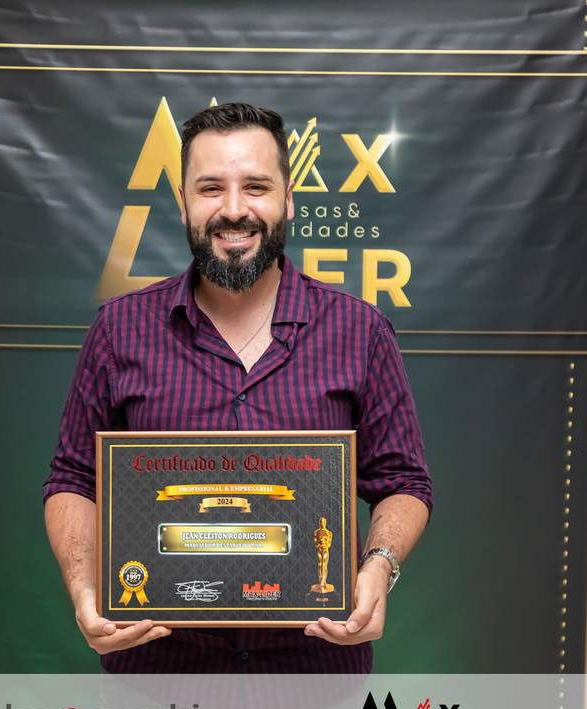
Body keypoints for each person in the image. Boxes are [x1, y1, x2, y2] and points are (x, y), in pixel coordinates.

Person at [43, 102, 431, 676]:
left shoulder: (359, 330)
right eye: (210, 188)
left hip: (312, 680)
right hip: (158, 684)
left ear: (288, 199)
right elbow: (74, 480)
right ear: (183, 202)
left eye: (255, 186)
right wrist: (84, 587)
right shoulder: (119, 329)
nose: (233, 209)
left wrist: (378, 566)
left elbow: (403, 483)